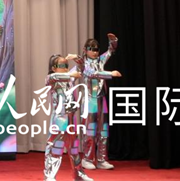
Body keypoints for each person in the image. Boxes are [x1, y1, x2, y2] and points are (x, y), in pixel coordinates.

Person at [75, 34, 121, 171]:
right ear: (85, 50)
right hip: (90, 100)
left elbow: (111, 51)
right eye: (91, 49)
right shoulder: (82, 64)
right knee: (90, 130)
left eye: (96, 49)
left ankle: (102, 159)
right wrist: (110, 74)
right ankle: (87, 158)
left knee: (104, 130)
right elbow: (92, 73)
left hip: (101, 98)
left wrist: (113, 41)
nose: (94, 52)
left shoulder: (100, 60)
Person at [43, 54, 92, 181]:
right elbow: (56, 76)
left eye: (66, 65)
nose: (65, 68)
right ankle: (50, 175)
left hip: (71, 117)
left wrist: (76, 58)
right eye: (61, 65)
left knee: (74, 147)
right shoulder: (51, 78)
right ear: (53, 68)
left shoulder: (69, 78)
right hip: (59, 118)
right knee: (55, 146)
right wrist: (70, 74)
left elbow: (81, 67)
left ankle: (78, 174)